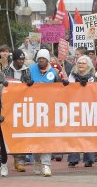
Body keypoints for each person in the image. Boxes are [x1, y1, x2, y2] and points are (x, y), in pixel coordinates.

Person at [27, 49, 61, 177]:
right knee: (36, 138)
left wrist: (64, 83)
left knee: (46, 137)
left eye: (43, 59)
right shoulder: (30, 70)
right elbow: (23, 84)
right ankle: (36, 161)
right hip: (33, 109)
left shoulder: (53, 72)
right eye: (39, 58)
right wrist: (27, 83)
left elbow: (60, 88)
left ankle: (46, 165)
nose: (41, 60)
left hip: (48, 110)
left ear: (47, 60)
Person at [3, 49, 31, 172]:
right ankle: (12, 157)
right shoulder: (6, 70)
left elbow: (30, 85)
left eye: (23, 59)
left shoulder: (27, 70)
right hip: (9, 106)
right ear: (14, 60)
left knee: (22, 132)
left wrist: (30, 84)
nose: (21, 61)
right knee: (10, 132)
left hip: (23, 105)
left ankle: (20, 160)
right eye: (19, 59)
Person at [66, 55, 96, 168]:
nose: (80, 65)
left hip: (89, 107)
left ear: (88, 65)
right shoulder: (72, 76)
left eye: (83, 63)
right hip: (75, 107)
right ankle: (73, 158)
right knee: (74, 133)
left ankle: (89, 159)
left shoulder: (93, 76)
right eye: (79, 63)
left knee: (88, 133)